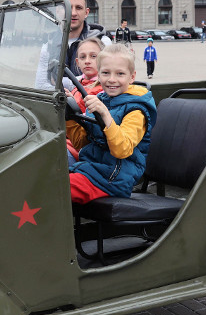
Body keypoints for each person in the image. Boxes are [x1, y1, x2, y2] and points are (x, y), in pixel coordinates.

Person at [66, 43, 157, 204]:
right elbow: (83, 144)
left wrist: (106, 116)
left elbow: (122, 149)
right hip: (92, 170)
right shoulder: (101, 100)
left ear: (132, 77)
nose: (112, 79)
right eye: (106, 73)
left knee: (55, 189)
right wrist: (70, 116)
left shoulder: (136, 110)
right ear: (99, 76)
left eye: (120, 74)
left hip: (114, 178)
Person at [65, 37, 105, 166]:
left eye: (93, 56)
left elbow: (89, 130)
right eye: (82, 57)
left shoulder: (104, 90)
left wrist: (71, 105)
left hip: (80, 149)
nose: (87, 61)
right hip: (66, 140)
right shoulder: (79, 84)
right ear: (77, 62)